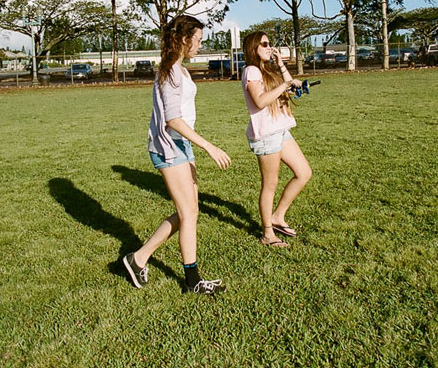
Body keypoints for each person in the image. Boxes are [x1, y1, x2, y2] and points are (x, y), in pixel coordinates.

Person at [122, 15, 232, 295]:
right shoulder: (170, 71)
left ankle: (138, 259)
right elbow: (172, 119)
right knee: (189, 213)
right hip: (169, 148)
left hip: (181, 145)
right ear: (184, 39)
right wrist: (209, 146)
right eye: (197, 40)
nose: (199, 45)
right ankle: (191, 280)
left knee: (189, 212)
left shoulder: (180, 69)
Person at [241, 32, 313, 248]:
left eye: (269, 44)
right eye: (264, 44)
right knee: (270, 186)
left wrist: (281, 64)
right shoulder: (251, 70)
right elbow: (260, 101)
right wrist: (283, 86)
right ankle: (267, 234)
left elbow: (290, 86)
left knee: (304, 173)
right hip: (266, 135)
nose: (268, 47)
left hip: (280, 130)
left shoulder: (267, 70)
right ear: (253, 48)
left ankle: (277, 216)